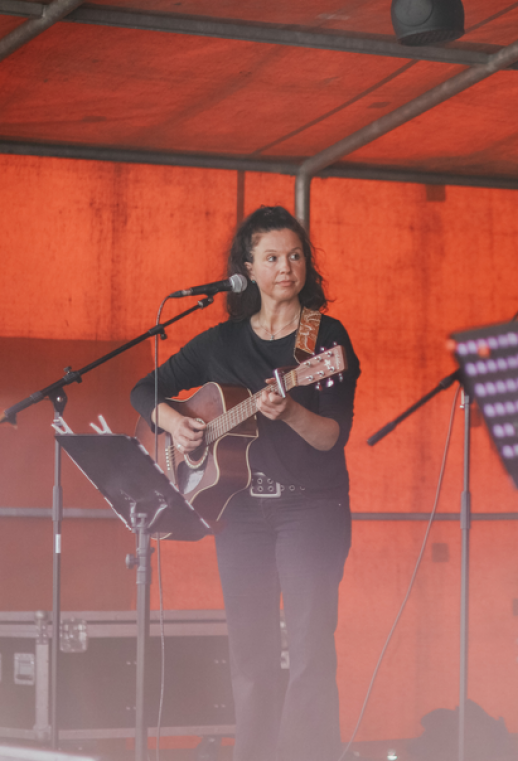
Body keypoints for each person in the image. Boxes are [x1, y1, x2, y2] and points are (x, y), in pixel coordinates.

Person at [131, 206, 360, 761]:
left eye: (297, 255)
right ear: (248, 269)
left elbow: (332, 437)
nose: (288, 267)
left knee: (308, 652)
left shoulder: (323, 339)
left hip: (311, 509)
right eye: (274, 257)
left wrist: (289, 413)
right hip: (239, 515)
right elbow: (145, 390)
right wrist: (178, 424)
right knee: (250, 655)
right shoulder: (220, 342)